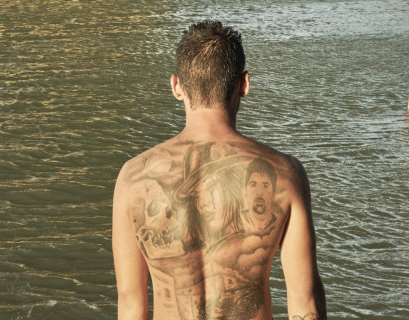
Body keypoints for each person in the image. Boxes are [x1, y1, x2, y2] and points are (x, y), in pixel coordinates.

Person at [112, 20, 326, 320]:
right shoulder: (286, 174)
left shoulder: (132, 178)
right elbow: (305, 302)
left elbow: (131, 303)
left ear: (176, 86)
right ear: (244, 84)